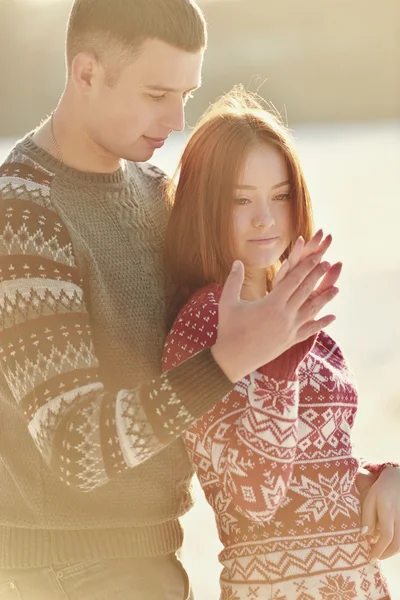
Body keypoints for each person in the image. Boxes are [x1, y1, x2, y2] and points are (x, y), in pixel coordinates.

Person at [0, 2, 344, 599]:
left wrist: (369, 481)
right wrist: (227, 361)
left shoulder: (158, 194)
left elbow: (234, 424)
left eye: (188, 93)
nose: (178, 117)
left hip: (155, 556)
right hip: (65, 571)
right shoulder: (24, 214)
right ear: (85, 73)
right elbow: (76, 448)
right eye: (158, 93)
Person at [162, 88, 400, 600]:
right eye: (241, 200)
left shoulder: (297, 318)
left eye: (281, 195)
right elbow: (255, 498)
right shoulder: (202, 326)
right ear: (205, 206)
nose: (265, 219)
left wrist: (384, 477)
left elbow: (318, 471)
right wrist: (277, 373)